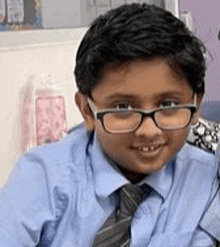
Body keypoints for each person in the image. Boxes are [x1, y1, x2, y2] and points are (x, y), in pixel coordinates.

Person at [0, 3, 219, 246]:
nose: (148, 131)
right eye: (122, 108)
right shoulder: (43, 177)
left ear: (196, 105)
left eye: (168, 105)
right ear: (87, 110)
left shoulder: (206, 182)